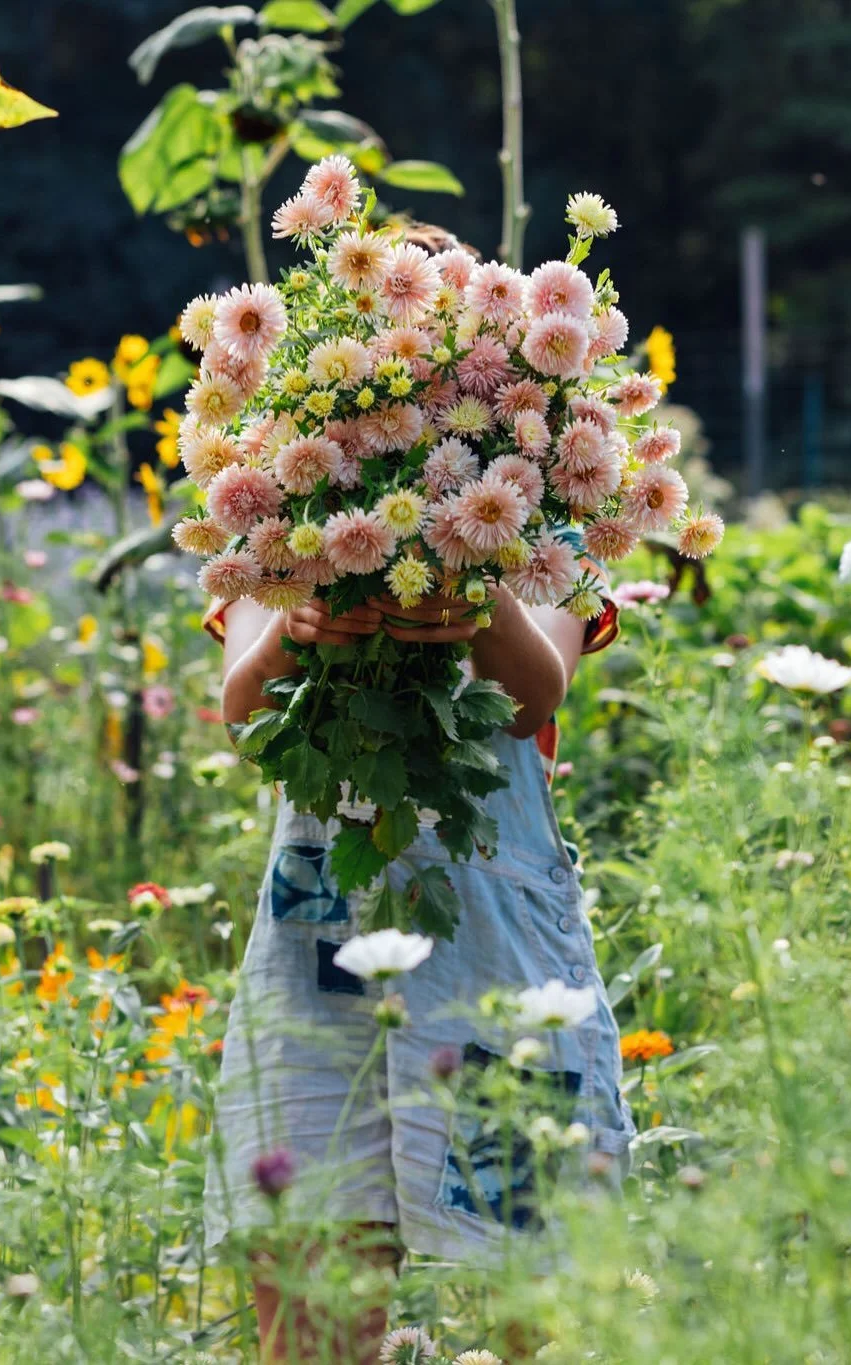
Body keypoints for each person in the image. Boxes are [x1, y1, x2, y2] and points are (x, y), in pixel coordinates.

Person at [200, 229, 636, 1364]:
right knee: (312, 1275)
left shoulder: (548, 519)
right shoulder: (273, 520)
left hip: (489, 917)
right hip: (320, 932)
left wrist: (470, 583)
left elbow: (536, 691)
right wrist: (299, 620)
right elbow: (243, 712)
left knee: (530, 1270)